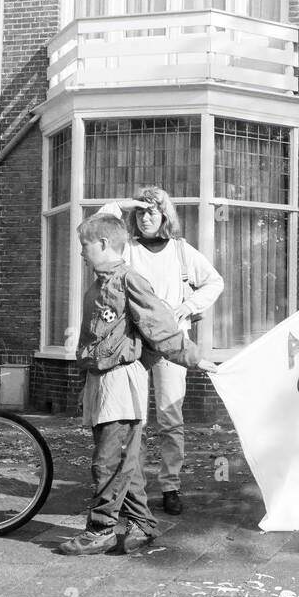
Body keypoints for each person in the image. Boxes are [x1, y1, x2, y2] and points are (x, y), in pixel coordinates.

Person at [59, 211, 218, 556]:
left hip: (120, 382)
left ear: (104, 244)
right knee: (125, 459)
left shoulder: (130, 280)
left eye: (84, 245)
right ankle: (142, 524)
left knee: (108, 460)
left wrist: (193, 358)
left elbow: (159, 327)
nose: (81, 252)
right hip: (102, 382)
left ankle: (101, 530)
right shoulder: (97, 285)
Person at [107, 187, 224, 518]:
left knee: (170, 418)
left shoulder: (182, 251)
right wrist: (122, 204)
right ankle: (135, 489)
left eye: (152, 211)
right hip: (134, 343)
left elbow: (215, 282)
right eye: (140, 212)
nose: (145, 217)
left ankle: (171, 486)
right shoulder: (126, 249)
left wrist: (189, 306)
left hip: (173, 344)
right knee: (135, 420)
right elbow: (98, 225)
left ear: (164, 215)